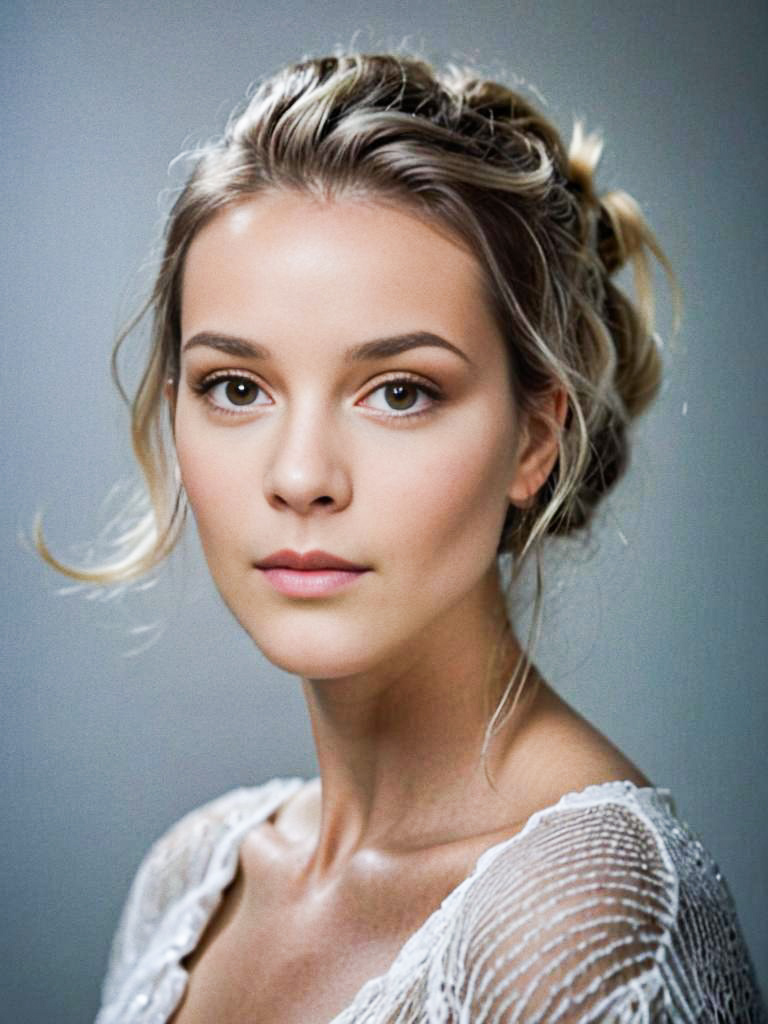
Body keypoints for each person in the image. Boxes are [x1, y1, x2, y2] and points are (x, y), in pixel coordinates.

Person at [38, 51, 765, 1022]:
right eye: (237, 387)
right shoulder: (189, 883)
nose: (300, 476)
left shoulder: (583, 921)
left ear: (533, 438)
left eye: (399, 392)